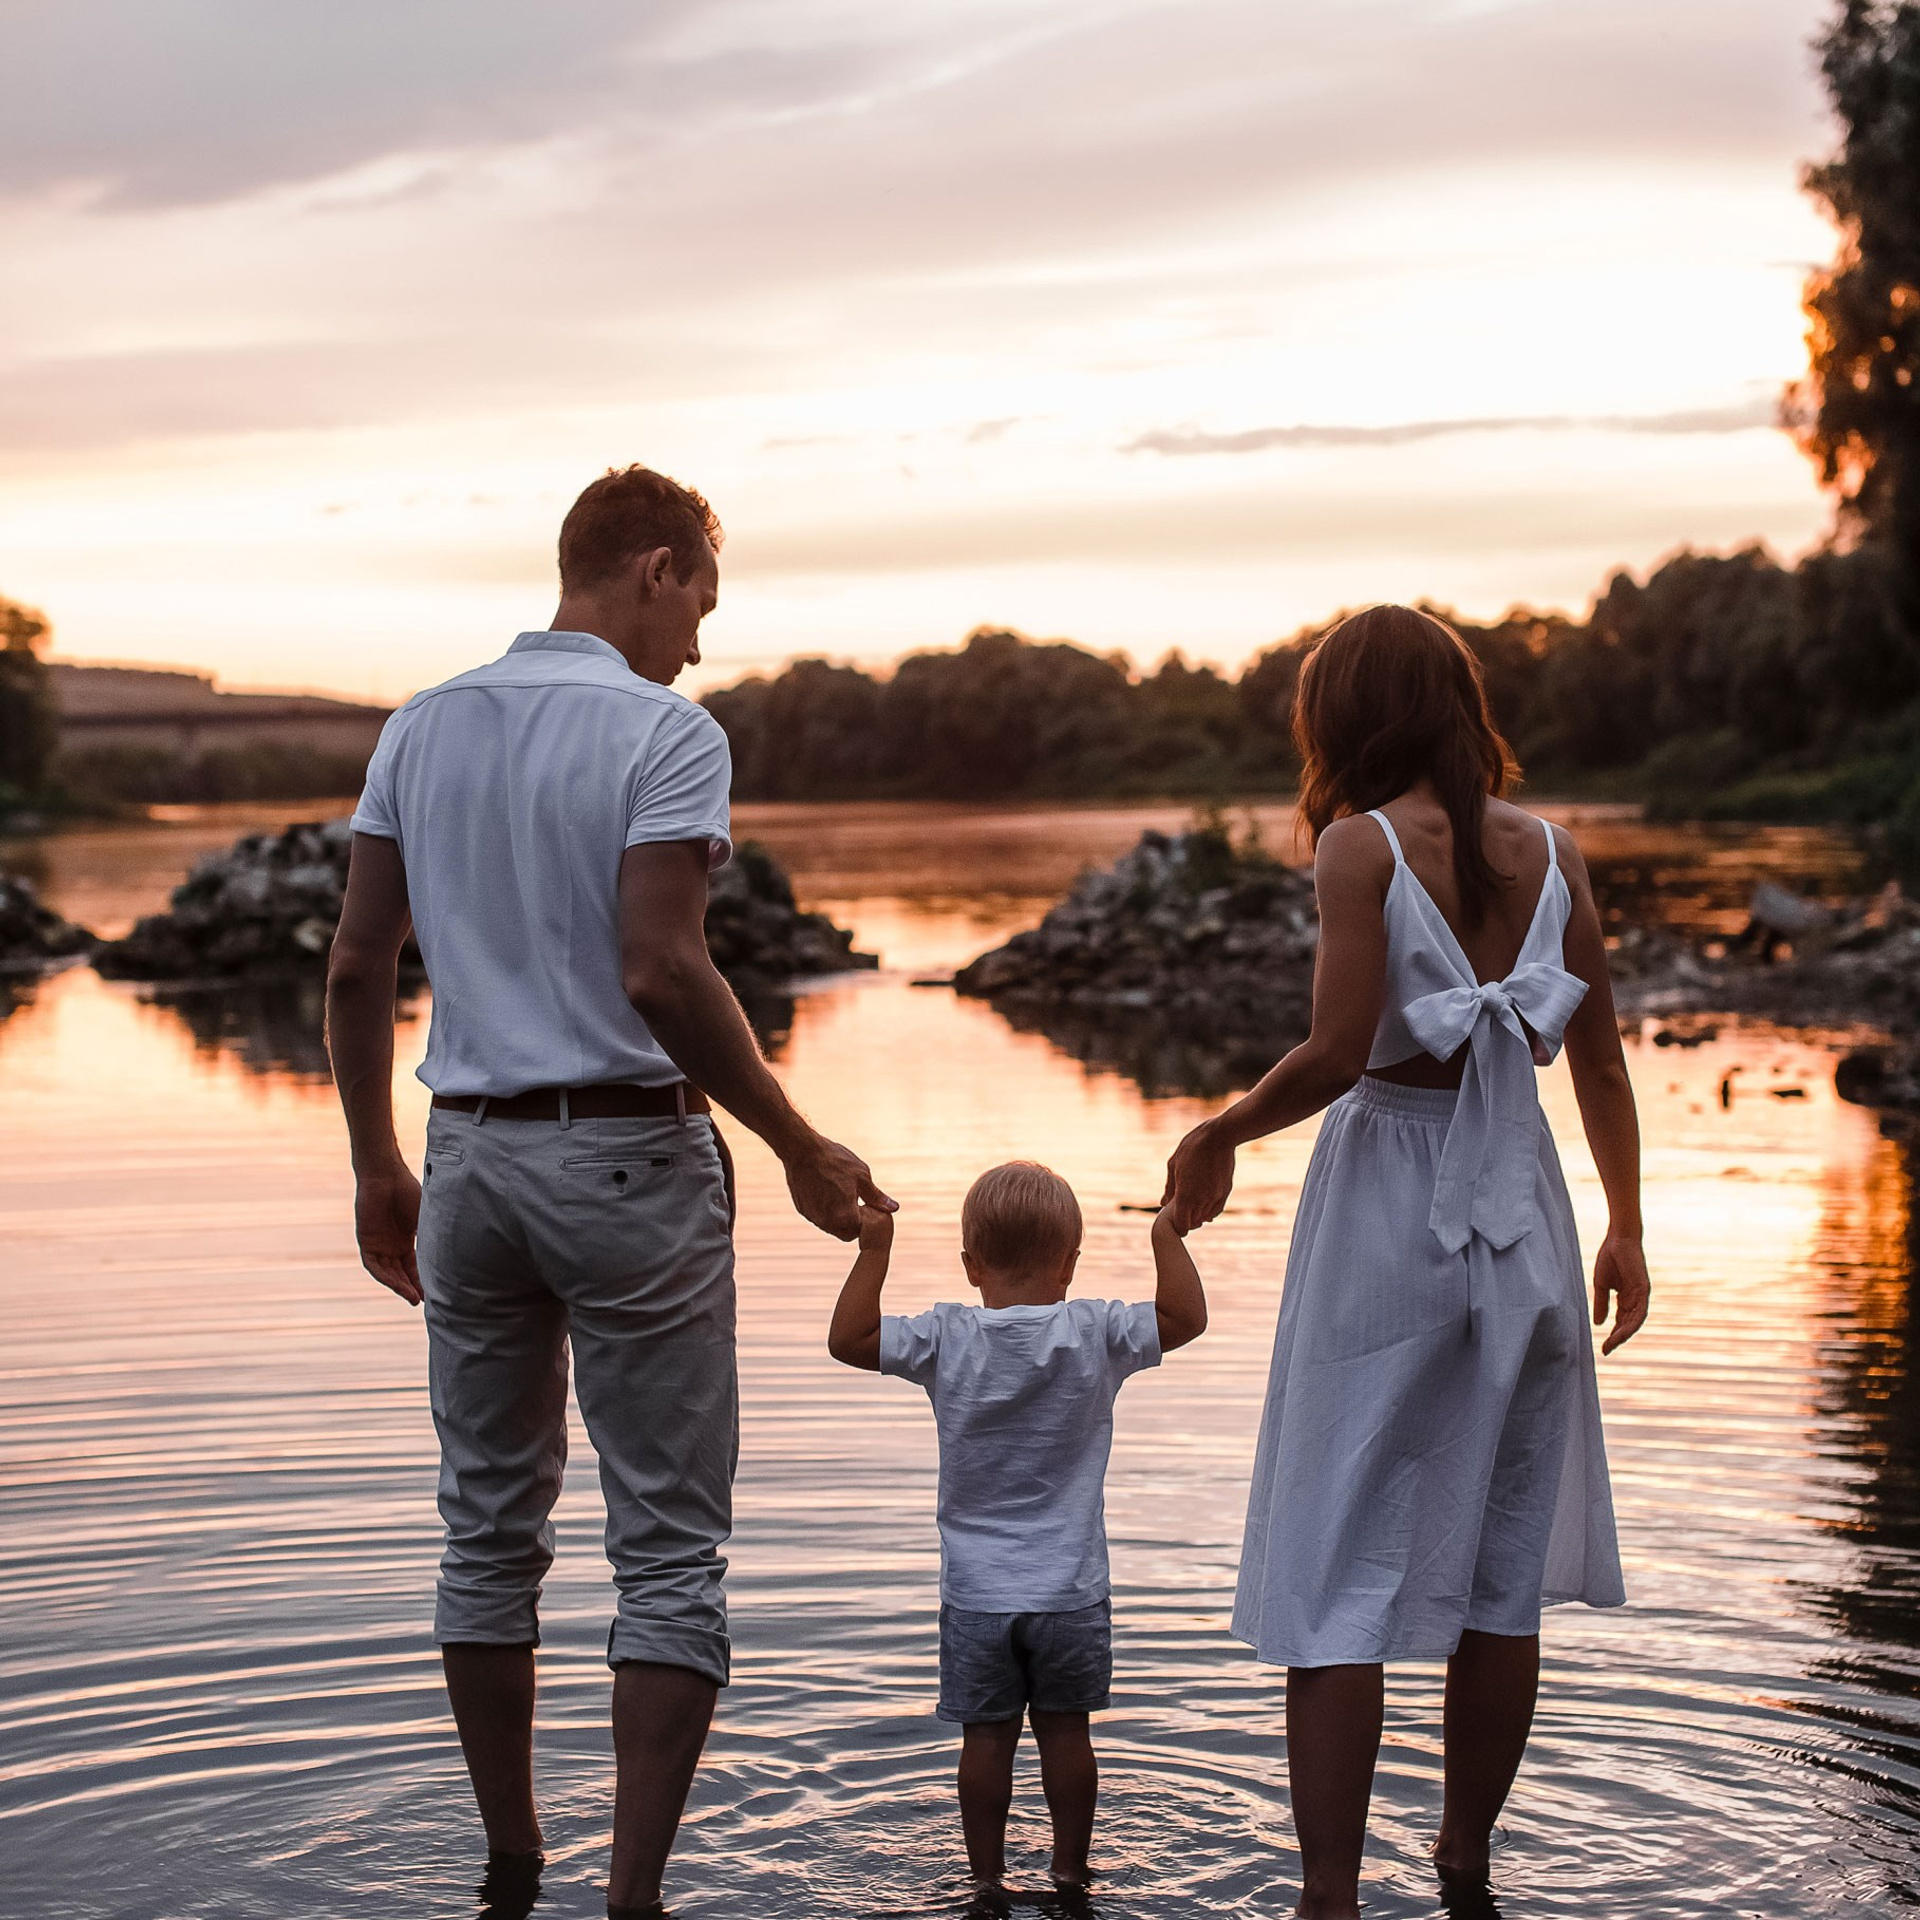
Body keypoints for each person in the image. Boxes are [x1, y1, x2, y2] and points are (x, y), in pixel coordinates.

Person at [325, 464, 893, 1920]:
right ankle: (632, 1897)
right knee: (667, 1545)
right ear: (651, 569)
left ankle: (511, 1863)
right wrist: (796, 1141)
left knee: (487, 1525)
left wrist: (375, 1163)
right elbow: (659, 963)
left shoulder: (420, 726)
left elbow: (353, 967)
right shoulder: (668, 733)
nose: (702, 637)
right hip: (628, 1156)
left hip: (465, 1158)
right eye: (701, 597)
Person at [1162, 605, 1649, 1920]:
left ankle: (1329, 1897)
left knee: (1337, 1572)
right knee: (1500, 1575)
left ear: (1347, 719)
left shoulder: (1357, 848)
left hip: (1396, 1207)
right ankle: (1463, 1866)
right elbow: (1598, 1058)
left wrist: (1217, 1131)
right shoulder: (1554, 854)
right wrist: (1625, 1226)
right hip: (1529, 1215)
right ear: (1455, 705)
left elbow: (1333, 1055)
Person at [826, 1162, 1208, 1904]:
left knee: (986, 1740)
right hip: (1069, 1592)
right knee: (1068, 1736)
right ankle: (1069, 1872)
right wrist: (1166, 1230)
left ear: (970, 1266)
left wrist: (874, 1249)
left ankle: (986, 1879)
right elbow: (1185, 1318)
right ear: (1071, 1261)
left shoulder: (945, 1336)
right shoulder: (1097, 1331)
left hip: (977, 1595)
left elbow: (850, 1338)